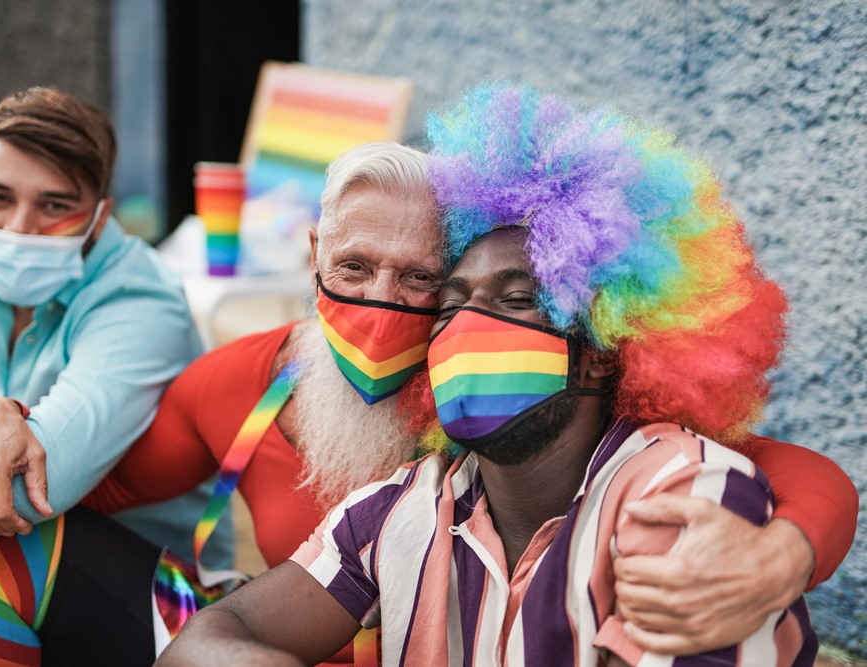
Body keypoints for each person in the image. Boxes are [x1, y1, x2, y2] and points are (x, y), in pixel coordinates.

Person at [0, 138, 856, 665]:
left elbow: (760, 467)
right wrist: (8, 417)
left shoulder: (533, 418)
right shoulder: (255, 384)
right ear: (312, 259)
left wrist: (783, 548)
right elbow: (76, 497)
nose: (387, 305)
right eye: (356, 266)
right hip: (272, 631)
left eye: (420, 278)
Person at [156, 83, 828, 666]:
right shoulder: (400, 507)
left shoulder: (672, 499)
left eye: (517, 299)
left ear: (602, 344)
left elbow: (778, 470)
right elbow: (210, 633)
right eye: (451, 301)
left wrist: (789, 550)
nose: (467, 328)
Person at [0, 86, 234, 666]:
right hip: (28, 543)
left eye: (54, 205)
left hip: (153, 588)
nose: (18, 229)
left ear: (99, 217)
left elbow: (31, 488)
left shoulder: (139, 302)